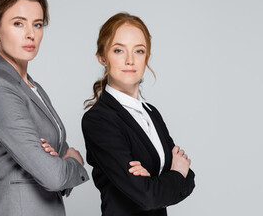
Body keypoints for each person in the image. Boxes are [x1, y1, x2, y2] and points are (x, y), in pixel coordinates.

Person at [0, 0, 88, 216]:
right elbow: (54, 176)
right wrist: (75, 162)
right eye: (18, 23)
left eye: (38, 24)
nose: (30, 34)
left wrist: (60, 160)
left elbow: (59, 153)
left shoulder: (32, 87)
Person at [81, 12, 196, 216]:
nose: (130, 60)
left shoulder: (152, 113)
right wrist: (176, 173)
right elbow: (147, 196)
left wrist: (155, 181)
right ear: (102, 57)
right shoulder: (98, 120)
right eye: (119, 50)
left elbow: (190, 178)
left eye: (139, 51)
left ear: (146, 57)